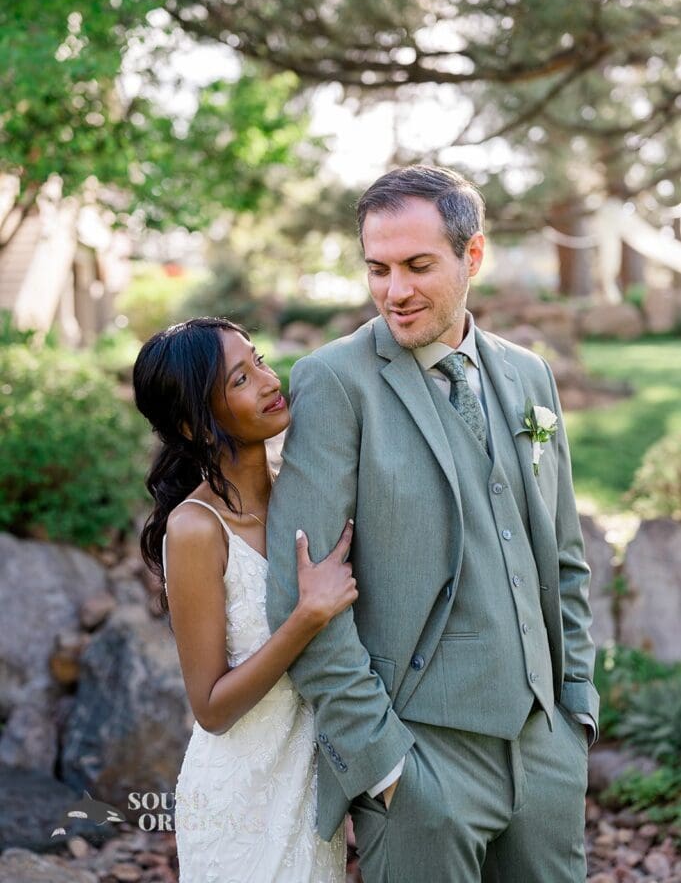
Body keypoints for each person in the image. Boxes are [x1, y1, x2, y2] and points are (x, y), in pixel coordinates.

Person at [266, 166, 599, 882]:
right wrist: (384, 765)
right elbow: (298, 593)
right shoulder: (335, 381)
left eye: (417, 266)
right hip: (420, 761)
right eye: (377, 269)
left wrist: (576, 711)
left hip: (544, 755)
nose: (394, 290)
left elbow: (565, 562)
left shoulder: (529, 376)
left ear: (471, 256)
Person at [132, 316, 355, 883]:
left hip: (310, 797)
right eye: (239, 379)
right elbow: (211, 707)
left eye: (257, 359)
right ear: (195, 424)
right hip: (240, 806)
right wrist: (306, 618)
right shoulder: (196, 529)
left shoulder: (303, 494)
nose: (267, 378)